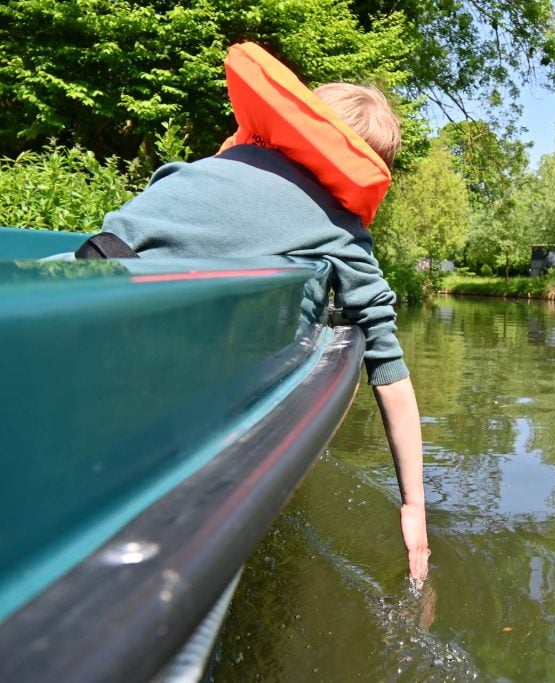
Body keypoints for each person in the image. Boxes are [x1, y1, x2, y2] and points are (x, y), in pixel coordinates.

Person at [84, 43, 430, 582]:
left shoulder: (197, 169)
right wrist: (414, 506)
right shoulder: (342, 229)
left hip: (84, 286)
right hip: (156, 382)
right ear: (365, 168)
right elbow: (388, 369)